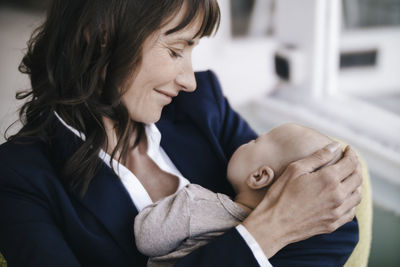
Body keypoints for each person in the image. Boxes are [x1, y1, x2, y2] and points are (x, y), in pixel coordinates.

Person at [0, 0, 362, 266]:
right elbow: (296, 219)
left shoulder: (203, 106)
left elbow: (331, 225)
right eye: (176, 50)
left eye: (193, 50)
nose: (189, 80)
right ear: (102, 39)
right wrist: (271, 230)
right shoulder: (18, 176)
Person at [134, 123, 346, 267]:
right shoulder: (292, 242)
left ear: (259, 176)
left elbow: (146, 239)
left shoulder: (196, 203)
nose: (247, 140)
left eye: (255, 141)